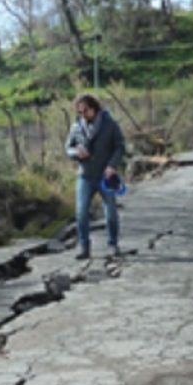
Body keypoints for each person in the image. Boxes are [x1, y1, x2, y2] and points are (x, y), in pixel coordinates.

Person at [66, 93, 126, 260]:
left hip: (105, 176)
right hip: (85, 176)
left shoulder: (110, 124)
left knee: (111, 212)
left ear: (94, 108)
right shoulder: (76, 127)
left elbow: (120, 147)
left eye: (85, 110)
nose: (82, 114)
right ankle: (84, 247)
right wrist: (76, 153)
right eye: (79, 112)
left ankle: (113, 244)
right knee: (81, 212)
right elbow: (68, 148)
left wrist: (112, 165)